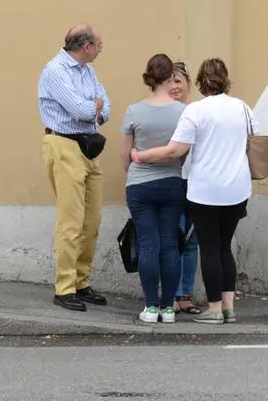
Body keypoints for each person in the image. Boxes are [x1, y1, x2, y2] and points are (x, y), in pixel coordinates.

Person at [132, 58, 251, 325]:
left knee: (208, 248)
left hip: (206, 189)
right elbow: (252, 142)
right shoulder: (242, 108)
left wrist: (140, 157)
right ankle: (229, 309)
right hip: (237, 188)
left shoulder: (196, 111)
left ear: (198, 82)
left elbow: (174, 150)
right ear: (226, 80)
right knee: (224, 247)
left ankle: (213, 308)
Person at [38, 24, 111, 312]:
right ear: (86, 47)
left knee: (91, 220)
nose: (100, 50)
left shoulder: (86, 71)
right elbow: (81, 111)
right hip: (64, 144)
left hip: (88, 146)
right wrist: (93, 106)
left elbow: (106, 108)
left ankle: (82, 282)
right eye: (99, 45)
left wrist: (95, 106)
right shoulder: (55, 71)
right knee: (71, 220)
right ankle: (65, 287)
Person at [120, 54, 187, 323]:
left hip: (140, 183)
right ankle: (169, 308)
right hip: (172, 182)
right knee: (170, 244)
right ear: (171, 76)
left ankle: (150, 307)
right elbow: (182, 154)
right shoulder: (183, 112)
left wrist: (139, 164)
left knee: (148, 243)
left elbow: (124, 156)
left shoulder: (134, 111)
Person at [168, 61, 201, 315]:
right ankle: (170, 293)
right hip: (170, 181)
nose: (173, 86)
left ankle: (185, 293)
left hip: (195, 182)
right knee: (171, 239)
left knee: (190, 242)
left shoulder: (198, 111)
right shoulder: (161, 111)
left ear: (188, 84)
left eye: (178, 80)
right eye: (168, 81)